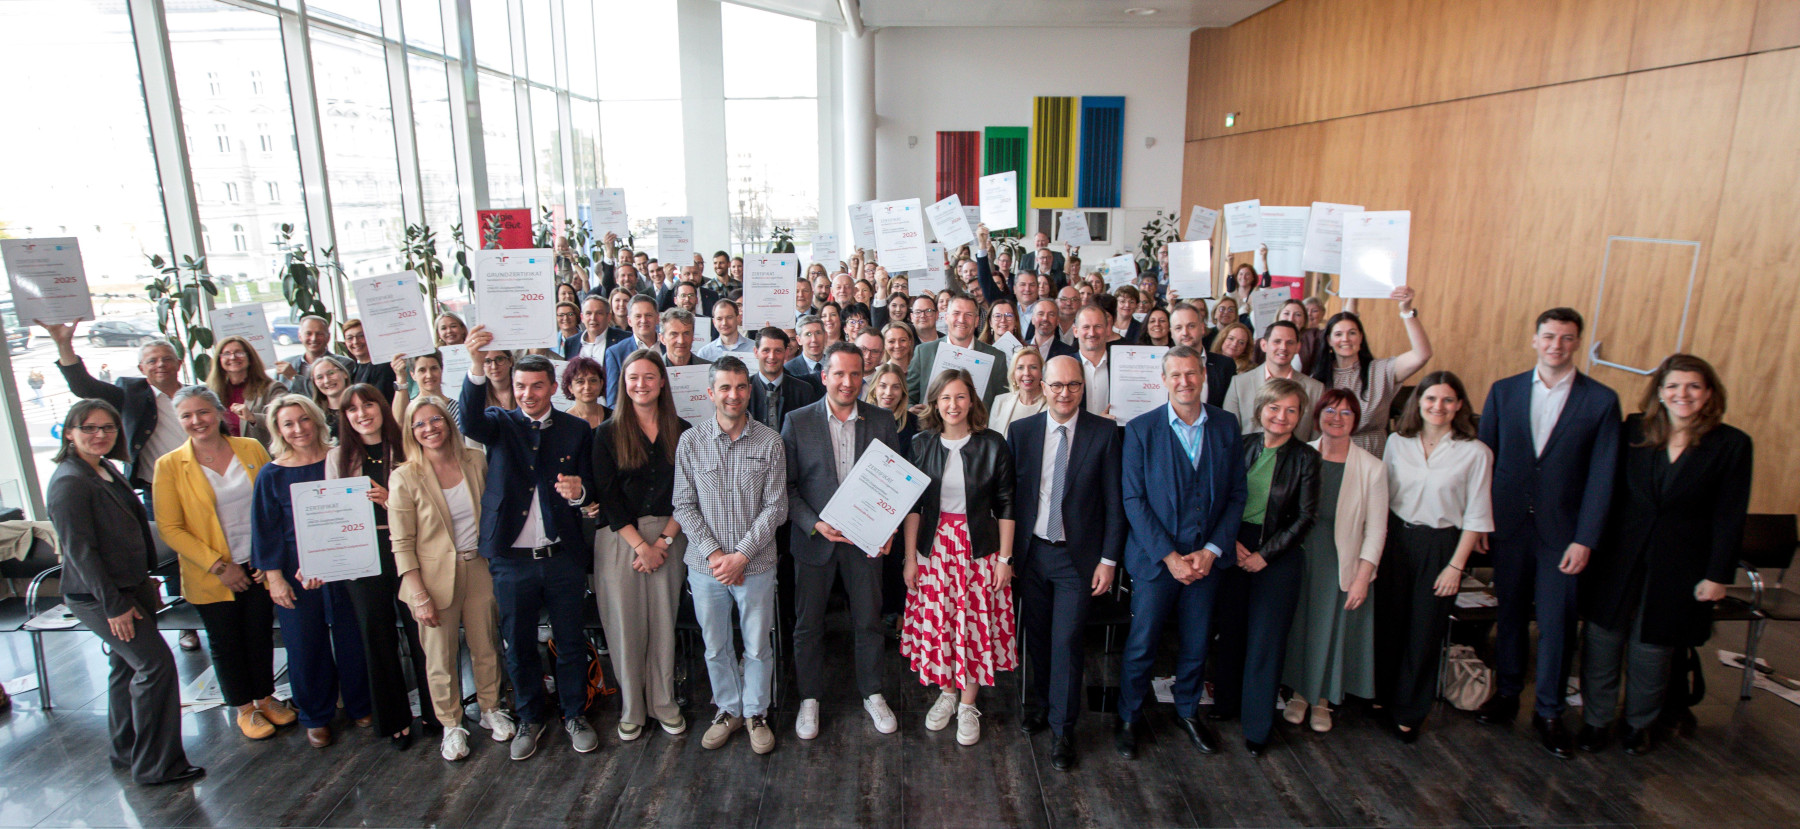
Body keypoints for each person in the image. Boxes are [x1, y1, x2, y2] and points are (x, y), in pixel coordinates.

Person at [1579, 354, 1751, 756]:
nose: (1682, 394)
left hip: (1681, 563)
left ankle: (1639, 723)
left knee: (1652, 647)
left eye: (1693, 386)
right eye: (1673, 386)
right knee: (1602, 640)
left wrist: (1718, 574)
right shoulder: (1633, 430)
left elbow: (1730, 514)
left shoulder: (1732, 444)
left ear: (1709, 393)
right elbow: (1605, 491)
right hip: (1618, 556)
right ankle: (1596, 720)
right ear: (1659, 391)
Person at [1475, 307, 1621, 758]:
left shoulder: (1600, 400)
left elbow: (1603, 475)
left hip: (1564, 533)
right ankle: (1508, 693)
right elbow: (1485, 462)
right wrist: (1481, 520)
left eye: (1566, 338)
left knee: (1557, 623)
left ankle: (1550, 711)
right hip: (1509, 525)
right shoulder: (1504, 392)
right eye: (1549, 336)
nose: (1556, 345)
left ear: (1577, 343)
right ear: (1535, 339)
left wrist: (1586, 538)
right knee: (1511, 614)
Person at [458, 330, 600, 760]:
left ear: (554, 388)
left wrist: (579, 492)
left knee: (570, 641)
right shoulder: (500, 425)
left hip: (563, 558)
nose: (528, 394)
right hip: (511, 561)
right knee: (518, 646)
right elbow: (469, 420)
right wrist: (475, 364)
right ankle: (530, 718)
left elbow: (592, 487)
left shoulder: (577, 429)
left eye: (537, 386)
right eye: (520, 387)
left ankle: (575, 713)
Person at [48, 399, 205, 785]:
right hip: (102, 597)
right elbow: (80, 553)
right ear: (70, 432)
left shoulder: (102, 469)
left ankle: (126, 748)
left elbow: (126, 530)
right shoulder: (69, 482)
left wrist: (144, 578)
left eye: (108, 428)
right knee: (155, 667)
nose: (100, 435)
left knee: (125, 667)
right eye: (89, 428)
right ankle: (157, 765)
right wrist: (115, 605)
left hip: (130, 586)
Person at [1115, 346, 1247, 759]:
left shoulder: (1227, 426)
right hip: (1157, 563)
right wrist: (1170, 557)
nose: (1184, 382)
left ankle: (1188, 711)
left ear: (1203, 375)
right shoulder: (1140, 430)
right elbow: (1133, 500)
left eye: (1191, 374)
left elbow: (1237, 496)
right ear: (1163, 379)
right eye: (1176, 375)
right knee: (1143, 643)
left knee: (1196, 643)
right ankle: (1129, 717)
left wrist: (1210, 550)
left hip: (1207, 562)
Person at [152, 387, 294, 741]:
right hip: (211, 573)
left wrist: (268, 558)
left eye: (202, 412)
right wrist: (219, 567)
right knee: (226, 640)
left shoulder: (250, 449)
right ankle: (244, 708)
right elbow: (170, 528)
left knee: (260, 634)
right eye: (186, 415)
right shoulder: (169, 466)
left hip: (258, 564)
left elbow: (273, 504)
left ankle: (266, 696)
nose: (196, 421)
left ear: (218, 413)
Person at [1007, 355, 1123, 770]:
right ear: (1043, 385)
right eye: (1056, 385)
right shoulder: (1021, 432)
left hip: (1079, 560)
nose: (1064, 393)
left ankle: (1063, 729)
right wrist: (1008, 555)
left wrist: (1108, 560)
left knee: (1068, 642)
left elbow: (1114, 504)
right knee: (1037, 638)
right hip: (1032, 554)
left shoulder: (1104, 433)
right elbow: (1011, 498)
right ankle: (1040, 705)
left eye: (1073, 385)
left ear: (1082, 388)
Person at [783, 342, 903, 740]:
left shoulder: (882, 420)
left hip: (865, 543)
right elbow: (788, 487)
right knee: (808, 626)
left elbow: (893, 485)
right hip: (815, 541)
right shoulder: (797, 421)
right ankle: (809, 699)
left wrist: (888, 528)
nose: (848, 382)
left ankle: (872, 692)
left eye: (855, 374)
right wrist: (815, 525)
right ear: (824, 376)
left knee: (868, 621)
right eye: (839, 374)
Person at [389, 396, 516, 762]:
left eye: (435, 420)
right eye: (420, 425)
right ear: (412, 433)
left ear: (448, 422)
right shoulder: (405, 476)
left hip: (478, 567)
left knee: (486, 645)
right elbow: (402, 542)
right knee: (440, 657)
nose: (429, 429)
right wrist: (418, 594)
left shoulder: (475, 460)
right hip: (429, 579)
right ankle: (452, 724)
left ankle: (491, 708)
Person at [672, 356, 788, 755]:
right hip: (706, 568)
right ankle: (727, 708)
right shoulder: (690, 442)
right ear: (711, 393)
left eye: (740, 386)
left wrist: (740, 555)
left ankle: (756, 712)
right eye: (725, 387)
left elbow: (776, 507)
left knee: (757, 645)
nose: (733, 394)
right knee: (715, 644)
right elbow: (683, 505)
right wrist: (717, 555)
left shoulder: (770, 441)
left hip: (755, 565)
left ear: (749, 390)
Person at [899, 368, 1016, 746]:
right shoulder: (920, 443)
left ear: (972, 401)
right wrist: (910, 558)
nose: (953, 404)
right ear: (935, 402)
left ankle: (968, 703)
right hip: (933, 547)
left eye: (960, 397)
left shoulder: (993, 444)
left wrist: (1005, 559)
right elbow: (913, 506)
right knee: (944, 622)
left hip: (979, 548)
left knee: (974, 626)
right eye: (945, 397)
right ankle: (947, 692)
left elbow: (1007, 504)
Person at [253, 394, 373, 749]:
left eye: (303, 420)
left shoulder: (344, 458)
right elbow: (265, 529)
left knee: (354, 638)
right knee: (305, 644)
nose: (298, 429)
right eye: (288, 423)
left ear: (317, 420)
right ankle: (316, 715)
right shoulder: (271, 473)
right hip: (295, 571)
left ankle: (361, 704)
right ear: (278, 429)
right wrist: (274, 577)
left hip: (348, 561)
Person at [1379, 371, 1493, 742]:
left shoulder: (1475, 453)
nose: (1438, 406)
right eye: (1430, 399)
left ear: (1459, 405)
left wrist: (1456, 566)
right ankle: (1383, 696)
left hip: (1441, 544)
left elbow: (1477, 514)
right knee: (1390, 622)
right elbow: (1384, 496)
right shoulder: (1398, 442)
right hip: (1395, 539)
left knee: (1425, 630)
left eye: (1447, 400)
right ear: (1418, 403)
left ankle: (1410, 710)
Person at [1208, 378, 1320, 755]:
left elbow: (1305, 518)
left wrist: (1264, 555)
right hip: (1232, 545)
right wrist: (1231, 542)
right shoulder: (1242, 445)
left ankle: (1257, 727)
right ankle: (1225, 705)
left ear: (1300, 416)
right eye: (1274, 408)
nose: (1281, 416)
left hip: (1278, 557)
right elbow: (1219, 496)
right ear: (1260, 411)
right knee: (1231, 632)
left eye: (1291, 410)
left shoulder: (1306, 458)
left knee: (1265, 643)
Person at [592, 350, 693, 744]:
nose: (641, 384)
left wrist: (664, 540)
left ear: (663, 382)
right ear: (623, 383)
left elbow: (689, 492)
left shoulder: (683, 431)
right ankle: (633, 709)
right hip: (621, 540)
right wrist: (641, 547)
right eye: (633, 378)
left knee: (664, 624)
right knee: (625, 627)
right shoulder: (607, 432)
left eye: (649, 377)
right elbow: (608, 495)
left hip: (670, 537)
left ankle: (665, 703)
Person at [327, 383, 436, 749]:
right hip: (361, 554)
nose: (362, 414)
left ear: (382, 407)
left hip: (407, 547)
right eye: (352, 409)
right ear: (344, 417)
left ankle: (438, 713)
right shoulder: (336, 457)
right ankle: (394, 719)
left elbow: (429, 505)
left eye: (368, 405)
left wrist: (392, 501)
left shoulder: (407, 446)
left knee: (422, 632)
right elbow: (330, 515)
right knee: (377, 636)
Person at [1282, 389, 1386, 734]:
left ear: (1356, 422)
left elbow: (1376, 529)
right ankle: (1298, 693)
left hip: (1340, 560)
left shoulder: (1372, 468)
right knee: (1299, 624)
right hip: (1298, 554)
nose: (1336, 418)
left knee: (1329, 628)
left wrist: (1363, 575)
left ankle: (1323, 698)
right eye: (1330, 410)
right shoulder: (1300, 455)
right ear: (1317, 415)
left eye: (1346, 413)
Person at [41, 321, 185, 497]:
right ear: (142, 368)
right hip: (159, 490)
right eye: (152, 361)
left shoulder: (197, 396)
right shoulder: (129, 396)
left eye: (167, 359)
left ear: (179, 364)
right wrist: (64, 345)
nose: (160, 364)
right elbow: (84, 386)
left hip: (206, 480)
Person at [1309, 287, 1434, 456]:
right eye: (1338, 334)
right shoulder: (1318, 377)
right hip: (1327, 453)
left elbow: (1422, 355)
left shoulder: (1380, 370)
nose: (1345, 338)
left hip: (1371, 452)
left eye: (1352, 333)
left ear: (1361, 337)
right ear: (1329, 340)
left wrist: (1406, 311)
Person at [1223, 321, 1324, 441]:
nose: (1283, 347)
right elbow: (1228, 433)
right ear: (1264, 345)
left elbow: (1316, 440)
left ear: (1298, 347)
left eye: (1290, 343)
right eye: (1277, 341)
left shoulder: (1315, 389)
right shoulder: (1239, 384)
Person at [908, 295, 1009, 409]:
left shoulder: (996, 358)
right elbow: (908, 397)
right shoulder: (924, 352)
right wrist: (911, 408)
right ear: (946, 317)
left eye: (968, 315)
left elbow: (1002, 404)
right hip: (933, 425)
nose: (961, 320)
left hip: (978, 426)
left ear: (976, 321)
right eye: (956, 313)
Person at [208, 335, 288, 446]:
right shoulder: (212, 393)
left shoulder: (272, 388)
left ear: (250, 359)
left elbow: (287, 418)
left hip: (262, 457)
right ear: (219, 361)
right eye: (227, 354)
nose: (233, 357)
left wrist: (253, 417)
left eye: (239, 353)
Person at [747, 326, 823, 433]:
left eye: (778, 351)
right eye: (766, 350)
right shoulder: (744, 390)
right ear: (756, 352)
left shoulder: (804, 391)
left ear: (786, 352)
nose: (772, 356)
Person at [1170, 303, 1234, 408]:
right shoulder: (1159, 366)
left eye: (1191, 326)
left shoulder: (1225, 365)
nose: (1185, 332)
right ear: (1172, 333)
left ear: (1202, 328)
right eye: (1178, 328)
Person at [605, 294, 663, 406]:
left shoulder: (669, 346)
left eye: (648, 315)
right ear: (629, 321)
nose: (643, 320)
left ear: (657, 319)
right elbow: (613, 402)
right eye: (638, 316)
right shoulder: (616, 353)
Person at [987, 346, 1047, 436]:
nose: (1026, 373)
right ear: (1013, 374)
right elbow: (991, 442)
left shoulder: (1051, 405)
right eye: (1020, 368)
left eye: (1033, 367)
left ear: (1041, 373)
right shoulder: (1000, 401)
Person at [1071, 305, 1114, 418]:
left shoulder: (1120, 367)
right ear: (1075, 331)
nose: (1092, 333)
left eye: (1098, 326)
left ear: (1108, 329)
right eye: (1086, 327)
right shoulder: (1066, 366)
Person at [340, 319, 399, 402]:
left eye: (361, 336)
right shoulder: (353, 370)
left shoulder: (383, 367)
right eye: (350, 338)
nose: (355, 342)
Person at [277, 315, 333, 396]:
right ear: (300, 336)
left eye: (319, 334)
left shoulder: (342, 364)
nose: (313, 338)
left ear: (328, 337)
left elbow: (323, 397)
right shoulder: (285, 365)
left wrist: (294, 378)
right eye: (308, 334)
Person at [305, 355, 354, 439]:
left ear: (344, 373)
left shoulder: (362, 406)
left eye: (331, 373)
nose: (327, 380)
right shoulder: (314, 416)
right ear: (315, 383)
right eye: (320, 377)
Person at [571, 295, 629, 362]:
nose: (593, 318)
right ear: (582, 317)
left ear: (608, 317)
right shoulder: (571, 343)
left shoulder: (624, 340)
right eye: (588, 313)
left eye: (599, 313)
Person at [560, 356, 608, 428]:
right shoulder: (562, 422)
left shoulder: (615, 418)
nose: (587, 387)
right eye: (580, 382)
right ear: (570, 387)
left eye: (593, 380)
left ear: (601, 384)